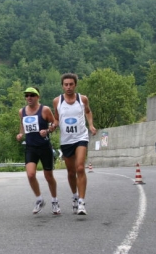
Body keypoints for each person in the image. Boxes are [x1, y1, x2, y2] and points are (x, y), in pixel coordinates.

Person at [52, 73, 97, 215]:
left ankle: (82, 202)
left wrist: (91, 125)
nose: (69, 87)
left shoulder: (82, 99)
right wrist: (53, 126)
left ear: (75, 85)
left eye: (71, 84)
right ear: (62, 86)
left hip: (81, 137)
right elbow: (57, 119)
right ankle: (74, 196)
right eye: (66, 84)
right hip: (66, 140)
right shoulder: (57, 101)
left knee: (80, 168)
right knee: (71, 172)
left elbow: (88, 112)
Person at [16, 87, 60, 215]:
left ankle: (54, 200)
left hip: (44, 147)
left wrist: (47, 131)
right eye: (27, 95)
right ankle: (39, 199)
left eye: (32, 95)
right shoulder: (22, 111)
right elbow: (22, 125)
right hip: (31, 147)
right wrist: (20, 134)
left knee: (48, 176)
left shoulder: (44, 110)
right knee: (30, 175)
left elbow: (54, 123)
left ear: (38, 97)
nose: (29, 98)